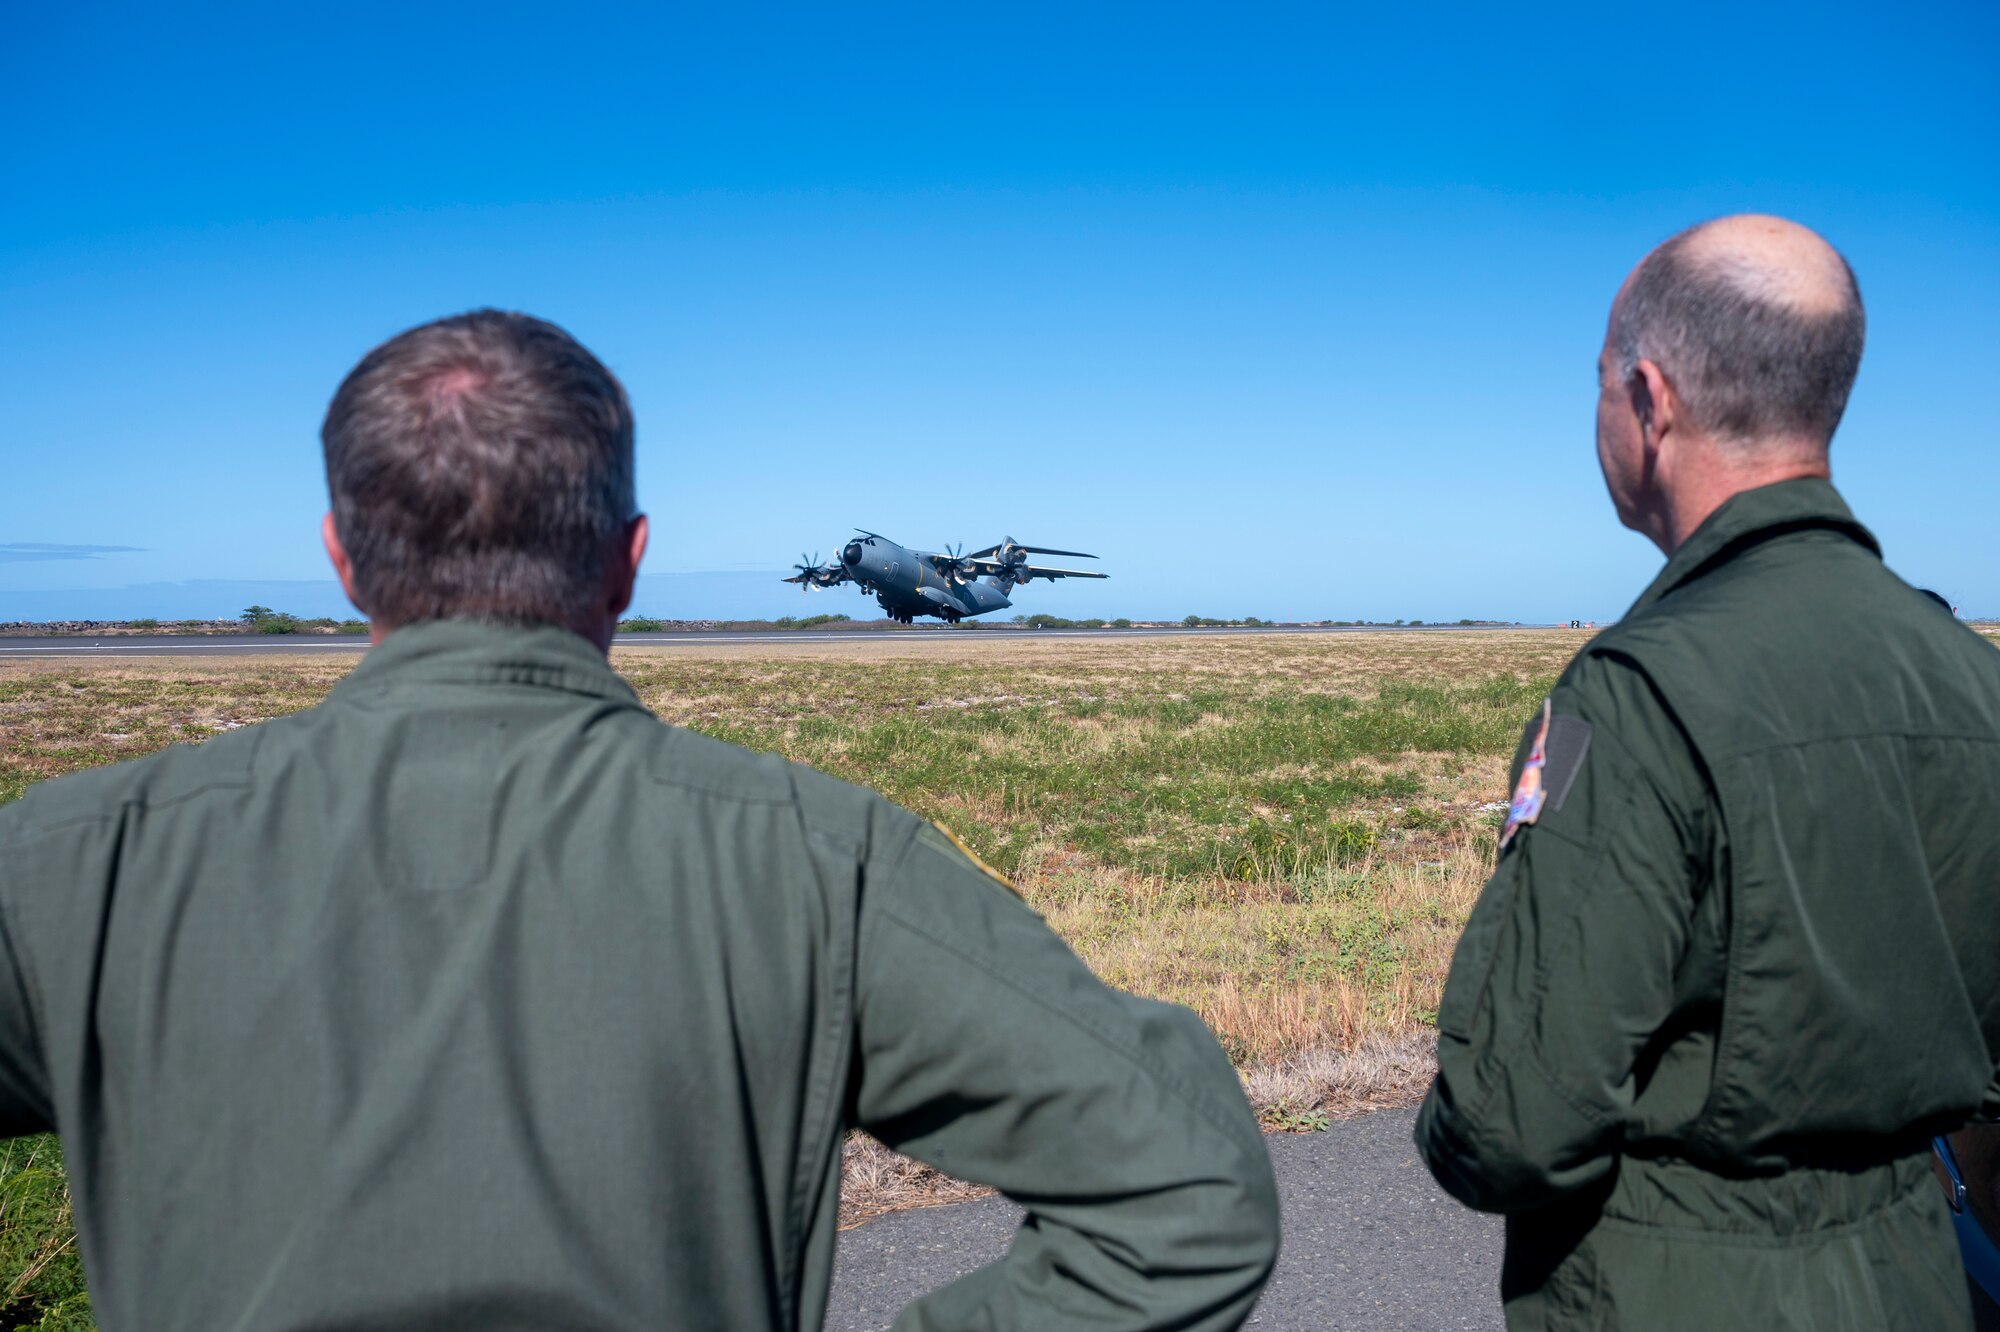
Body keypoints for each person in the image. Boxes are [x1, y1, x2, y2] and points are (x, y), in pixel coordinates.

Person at [0, 310, 1280, 1330]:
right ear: (628, 556)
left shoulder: (77, 860)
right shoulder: (813, 860)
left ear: (339, 559)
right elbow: (1187, 1189)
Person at [1415, 215, 2000, 1330]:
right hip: (1916, 1276)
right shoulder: (1966, 684)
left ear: (1647, 399)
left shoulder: (1639, 694)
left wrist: (1449, 1130)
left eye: (1595, 382)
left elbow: (1511, 1120)